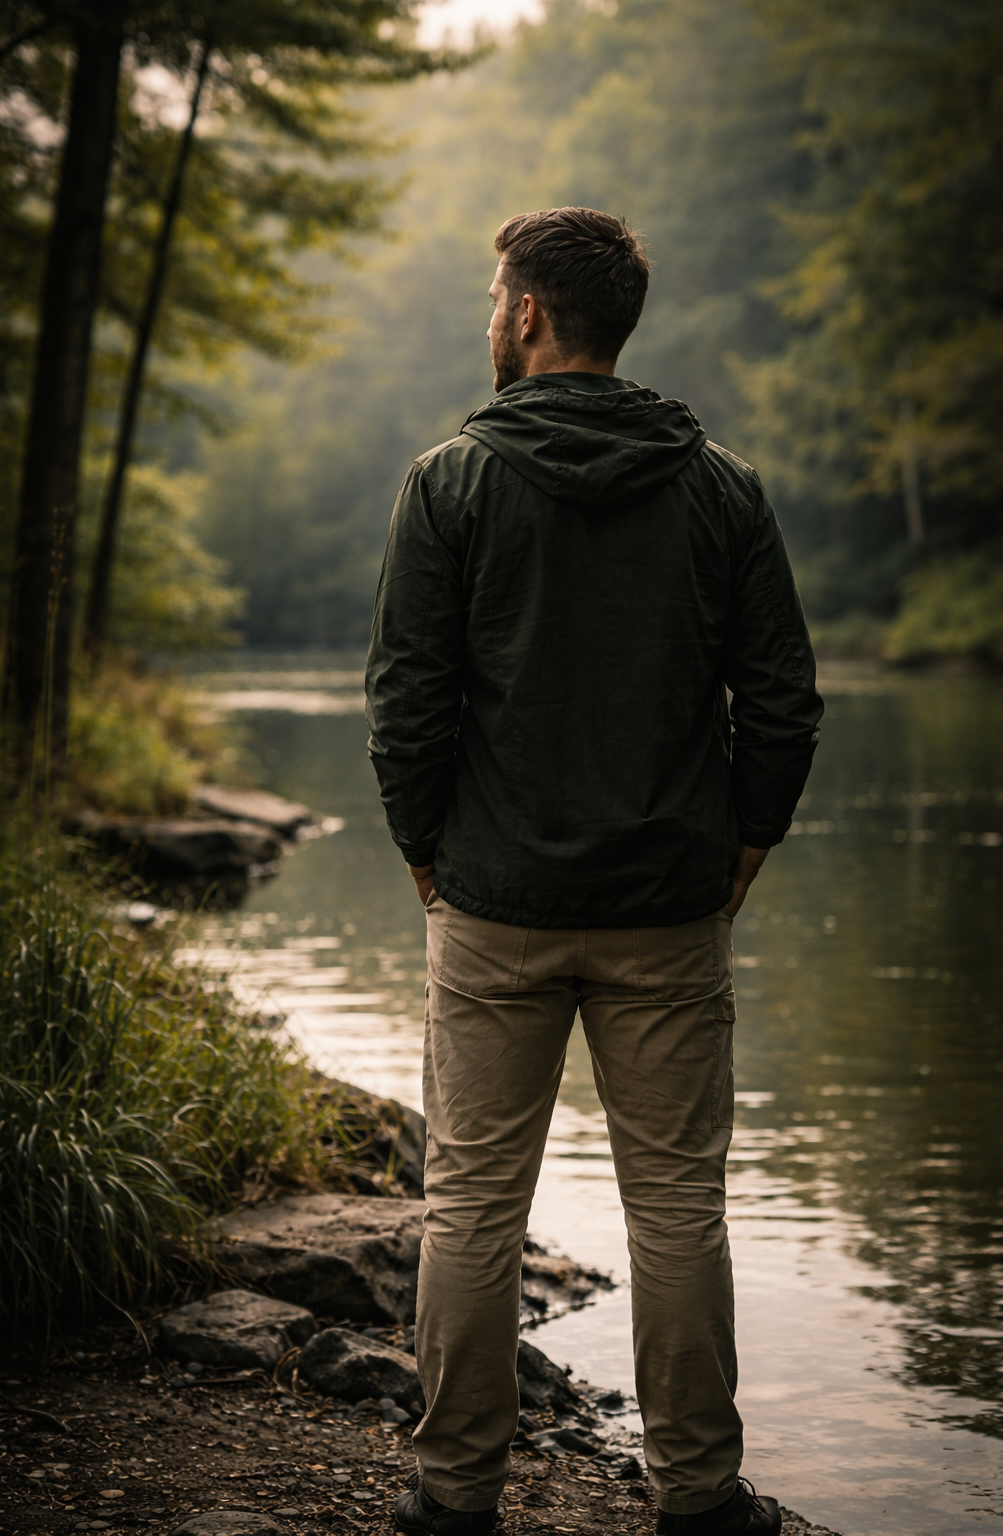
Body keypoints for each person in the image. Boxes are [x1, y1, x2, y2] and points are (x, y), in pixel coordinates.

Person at [365, 206, 823, 1536]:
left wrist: (422, 849)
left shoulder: (447, 482)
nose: (490, 315)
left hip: (492, 906)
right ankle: (696, 1498)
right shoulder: (723, 487)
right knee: (678, 1205)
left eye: (494, 295)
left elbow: (406, 702)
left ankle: (453, 1497)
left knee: (471, 1204)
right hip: (670, 913)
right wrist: (742, 845)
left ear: (525, 316)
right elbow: (782, 703)